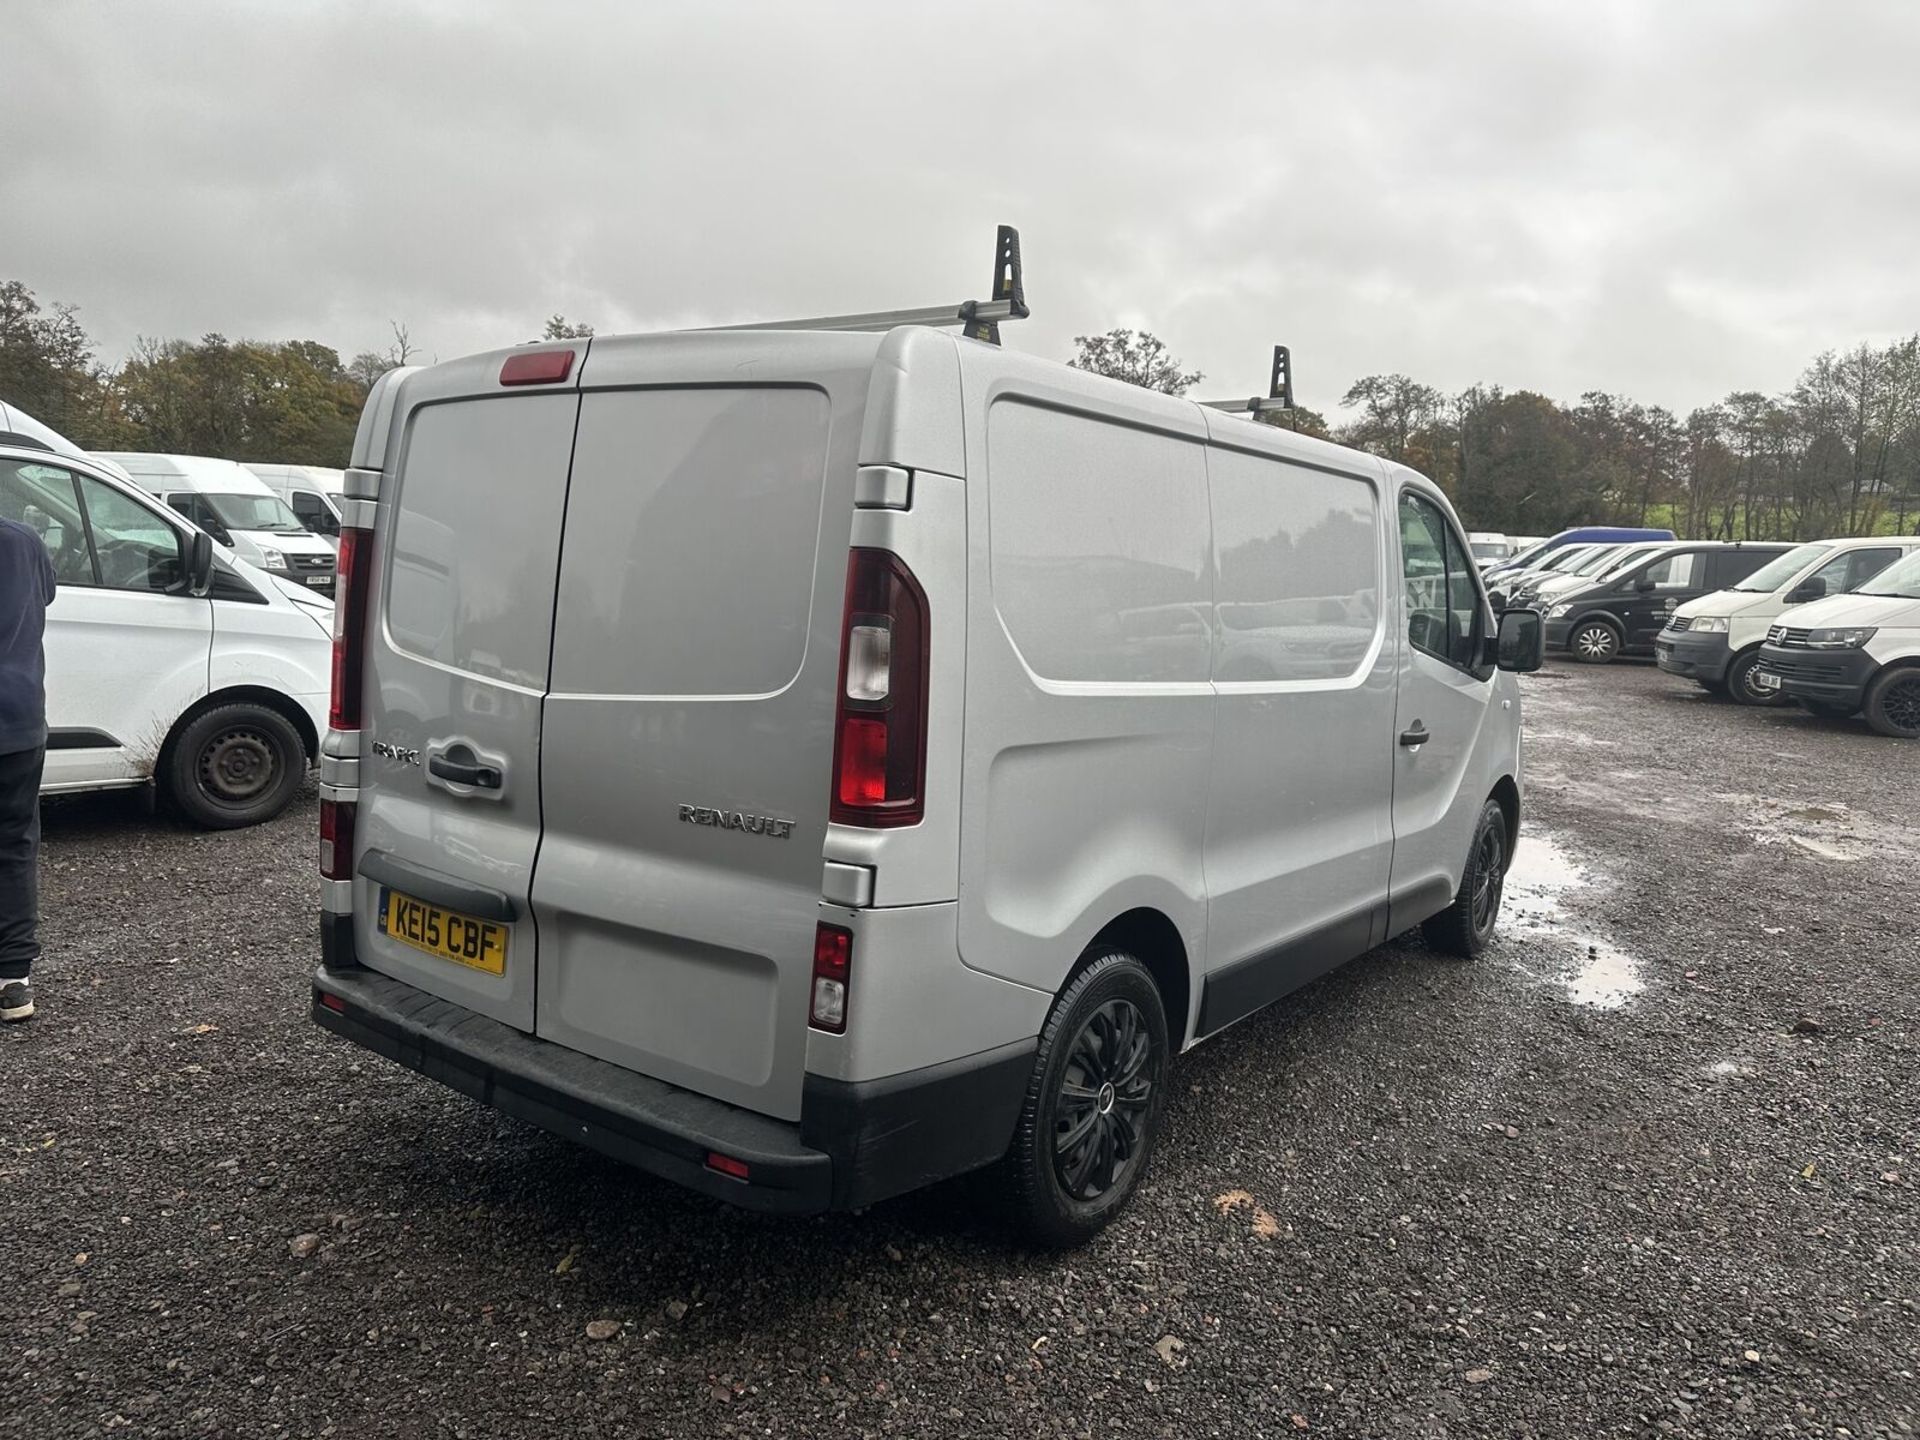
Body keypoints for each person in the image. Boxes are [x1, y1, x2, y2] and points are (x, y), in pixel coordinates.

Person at [1, 512, 55, 1022]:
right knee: (14, 844)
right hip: (17, 720)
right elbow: (47, 596)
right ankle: (13, 981)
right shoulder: (23, 540)